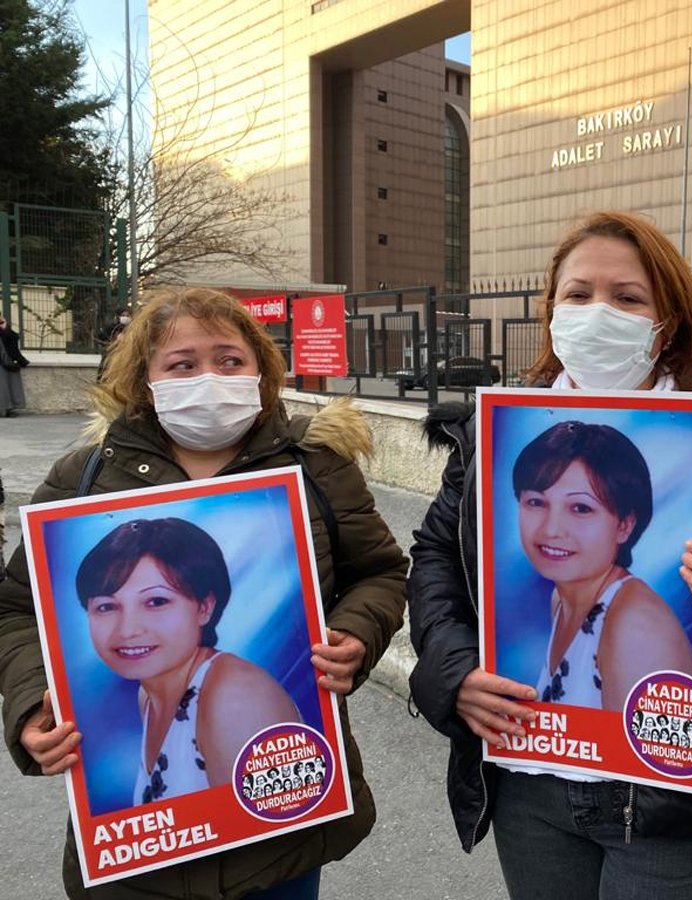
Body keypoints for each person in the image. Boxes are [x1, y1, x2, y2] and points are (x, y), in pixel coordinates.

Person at [408, 210, 692, 900]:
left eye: (627, 297)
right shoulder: (496, 429)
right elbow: (437, 556)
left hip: (667, 801)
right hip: (529, 782)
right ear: (551, 311)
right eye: (578, 294)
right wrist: (453, 671)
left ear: (668, 322)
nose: (598, 313)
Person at [0, 287, 409, 900]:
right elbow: (16, 608)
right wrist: (32, 704)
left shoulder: (316, 466)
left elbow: (380, 573)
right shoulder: (85, 477)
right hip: (135, 858)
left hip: (275, 848)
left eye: (229, 359)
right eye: (182, 364)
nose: (209, 378)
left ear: (261, 371)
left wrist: (356, 632)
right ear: (146, 382)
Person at [77, 517, 299, 805]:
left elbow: (271, 826)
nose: (128, 630)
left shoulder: (235, 697)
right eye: (107, 606)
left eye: (156, 602)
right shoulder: (149, 697)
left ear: (205, 607)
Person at [513, 420, 692, 709]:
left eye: (580, 508)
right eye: (536, 502)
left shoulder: (635, 625)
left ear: (625, 525)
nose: (551, 529)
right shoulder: (561, 599)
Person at [0, 310, 31, 417]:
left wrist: (5, 328)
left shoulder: (4, 330)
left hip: (7, 363)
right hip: (4, 363)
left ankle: (9, 409)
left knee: (10, 386)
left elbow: (13, 340)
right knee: (4, 386)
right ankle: (7, 409)